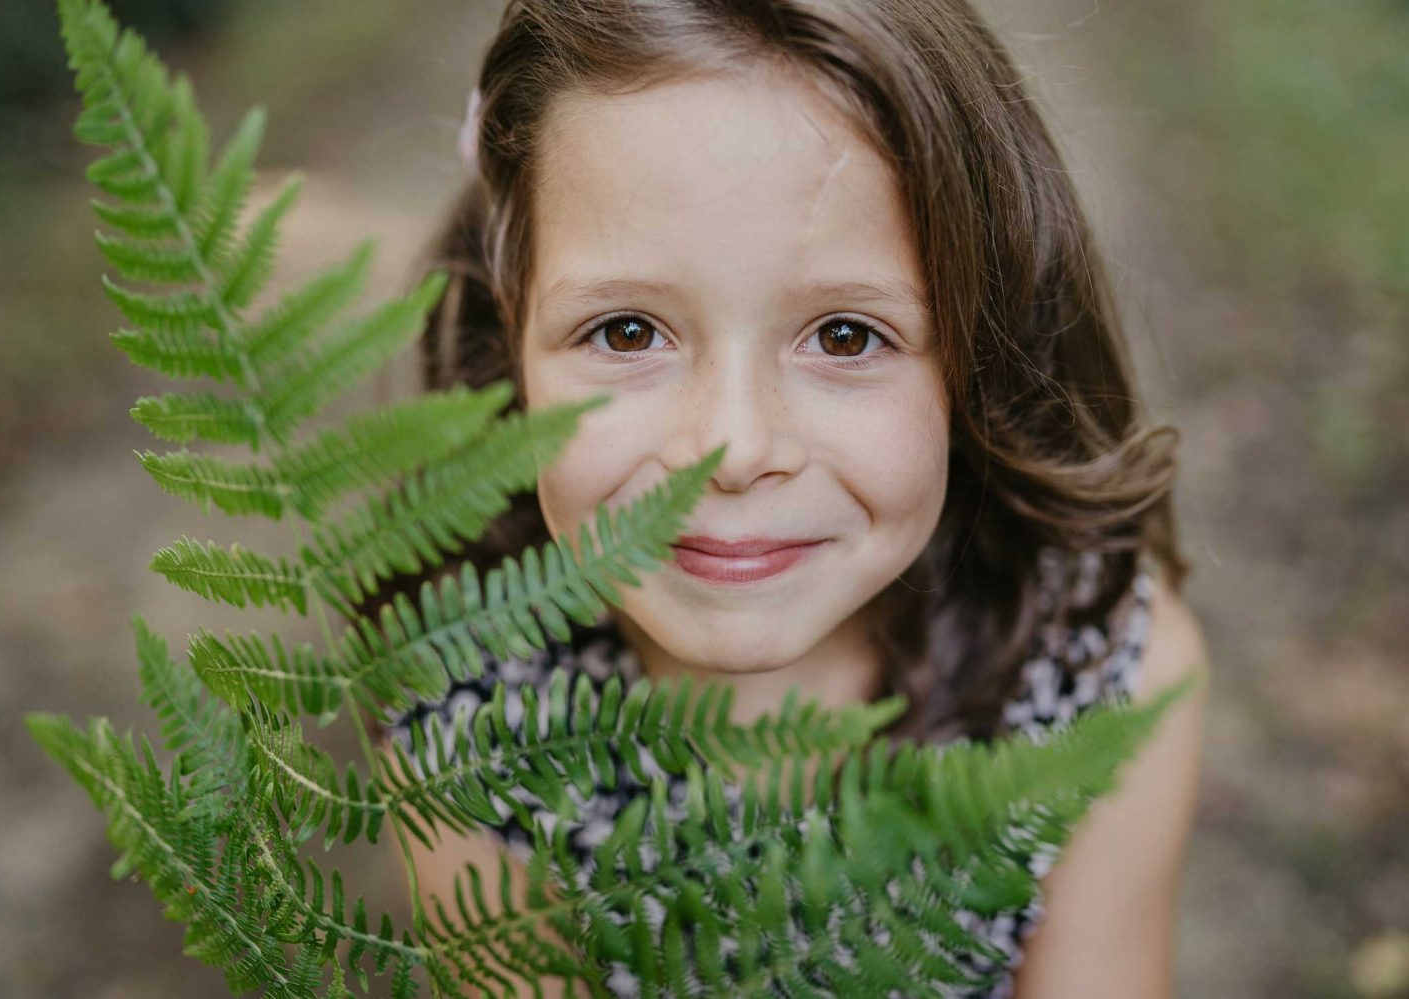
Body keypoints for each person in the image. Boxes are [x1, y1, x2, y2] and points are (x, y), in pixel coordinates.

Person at [377, 1, 1210, 995]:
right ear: (510, 327)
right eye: (628, 332)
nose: (732, 451)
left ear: (981, 350)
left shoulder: (1102, 672)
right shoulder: (459, 683)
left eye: (846, 336)